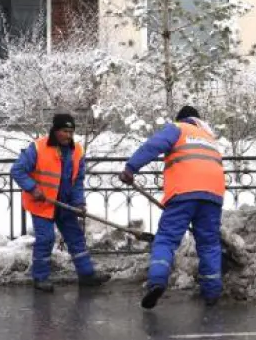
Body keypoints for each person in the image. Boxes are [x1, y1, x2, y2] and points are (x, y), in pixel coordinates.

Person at [119, 105, 225, 309]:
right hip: (213, 195)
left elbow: (153, 145)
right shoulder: (209, 138)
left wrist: (131, 168)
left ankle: (157, 281)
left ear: (181, 118)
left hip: (184, 193)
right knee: (209, 243)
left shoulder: (178, 128)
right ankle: (211, 291)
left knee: (166, 239)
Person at [12, 113, 108, 292]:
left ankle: (87, 275)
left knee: (76, 238)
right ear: (55, 130)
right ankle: (40, 278)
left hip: (65, 204)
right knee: (46, 239)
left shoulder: (77, 150)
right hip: (42, 203)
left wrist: (79, 203)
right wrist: (33, 188)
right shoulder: (38, 148)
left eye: (71, 131)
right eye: (64, 131)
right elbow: (17, 170)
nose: (68, 135)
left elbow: (78, 180)